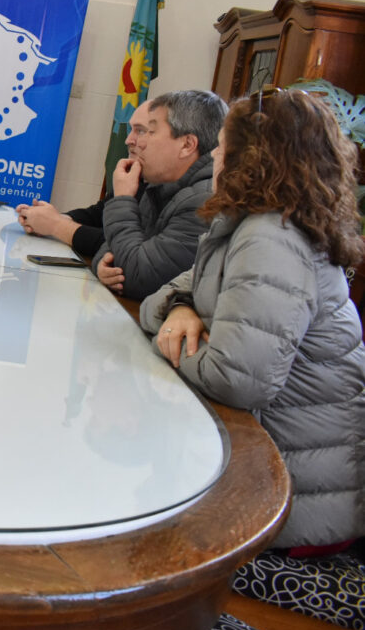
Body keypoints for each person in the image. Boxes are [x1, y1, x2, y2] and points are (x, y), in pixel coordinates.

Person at [141, 88, 364, 550]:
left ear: (255, 157)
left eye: (225, 146)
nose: (216, 155)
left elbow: (236, 379)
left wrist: (173, 334)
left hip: (290, 509)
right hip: (270, 477)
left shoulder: (272, 238)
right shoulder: (254, 223)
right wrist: (181, 308)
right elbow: (154, 299)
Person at [17, 90, 226, 299]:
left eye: (148, 132)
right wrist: (102, 266)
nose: (132, 141)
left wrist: (123, 199)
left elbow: (138, 277)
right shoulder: (160, 186)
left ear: (187, 145)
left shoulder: (205, 201)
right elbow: (115, 247)